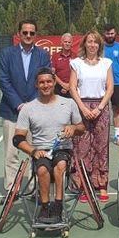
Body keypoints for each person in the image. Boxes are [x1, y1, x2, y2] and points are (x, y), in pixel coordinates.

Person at [13, 67, 85, 223]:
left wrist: (73, 128)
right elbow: (18, 139)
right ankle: (45, 207)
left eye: (48, 82)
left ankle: (58, 206)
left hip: (62, 148)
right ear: (36, 85)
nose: (45, 85)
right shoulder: (28, 108)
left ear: (54, 83)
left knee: (60, 165)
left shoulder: (69, 103)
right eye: (42, 82)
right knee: (42, 169)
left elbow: (81, 128)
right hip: (41, 150)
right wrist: (33, 151)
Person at [0, 20, 50, 199]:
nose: (28, 36)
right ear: (19, 33)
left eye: (32, 33)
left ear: (36, 35)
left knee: (35, 152)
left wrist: (31, 106)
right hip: (12, 112)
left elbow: (45, 80)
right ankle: (12, 189)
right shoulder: (6, 54)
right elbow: (4, 81)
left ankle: (35, 189)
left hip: (36, 113)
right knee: (11, 153)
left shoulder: (43, 55)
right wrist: (20, 105)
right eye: (25, 32)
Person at [69, 31, 114, 203]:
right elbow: (73, 87)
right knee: (81, 147)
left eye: (96, 42)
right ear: (84, 44)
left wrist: (100, 107)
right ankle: (83, 185)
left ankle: (101, 184)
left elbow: (110, 87)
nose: (93, 45)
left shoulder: (106, 63)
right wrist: (83, 108)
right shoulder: (76, 63)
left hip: (101, 108)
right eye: (89, 41)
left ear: (99, 45)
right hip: (81, 108)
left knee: (101, 147)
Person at [102, 24, 119, 145]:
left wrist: (117, 73)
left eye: (112, 33)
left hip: (117, 83)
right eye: (108, 33)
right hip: (101, 83)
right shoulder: (100, 48)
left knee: (116, 109)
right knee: (101, 109)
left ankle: (117, 135)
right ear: (104, 34)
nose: (110, 35)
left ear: (115, 33)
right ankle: (101, 135)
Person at [51, 33, 75, 98]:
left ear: (71, 44)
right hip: (58, 89)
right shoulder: (55, 56)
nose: (67, 44)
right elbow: (52, 73)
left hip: (73, 89)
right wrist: (63, 85)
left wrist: (69, 86)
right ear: (61, 43)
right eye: (65, 42)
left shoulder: (76, 57)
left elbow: (78, 74)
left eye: (69, 42)